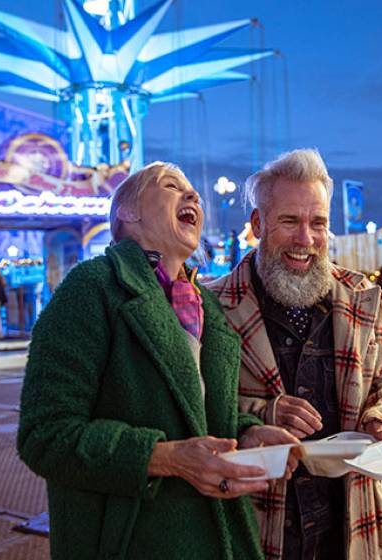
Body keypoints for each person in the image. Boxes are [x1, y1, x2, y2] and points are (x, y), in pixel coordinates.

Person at [17, 162, 299, 560]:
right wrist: (165, 458)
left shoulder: (205, 305)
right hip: (129, 540)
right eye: (170, 186)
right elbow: (44, 435)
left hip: (218, 537)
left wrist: (249, 434)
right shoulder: (92, 289)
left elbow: (200, 414)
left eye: (193, 193)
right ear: (126, 213)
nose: (193, 197)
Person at [208, 149, 382, 560]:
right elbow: (193, 407)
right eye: (289, 221)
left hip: (350, 521)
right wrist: (262, 414)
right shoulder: (212, 307)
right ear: (257, 224)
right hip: (257, 524)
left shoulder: (364, 299)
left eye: (317, 222)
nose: (306, 239)